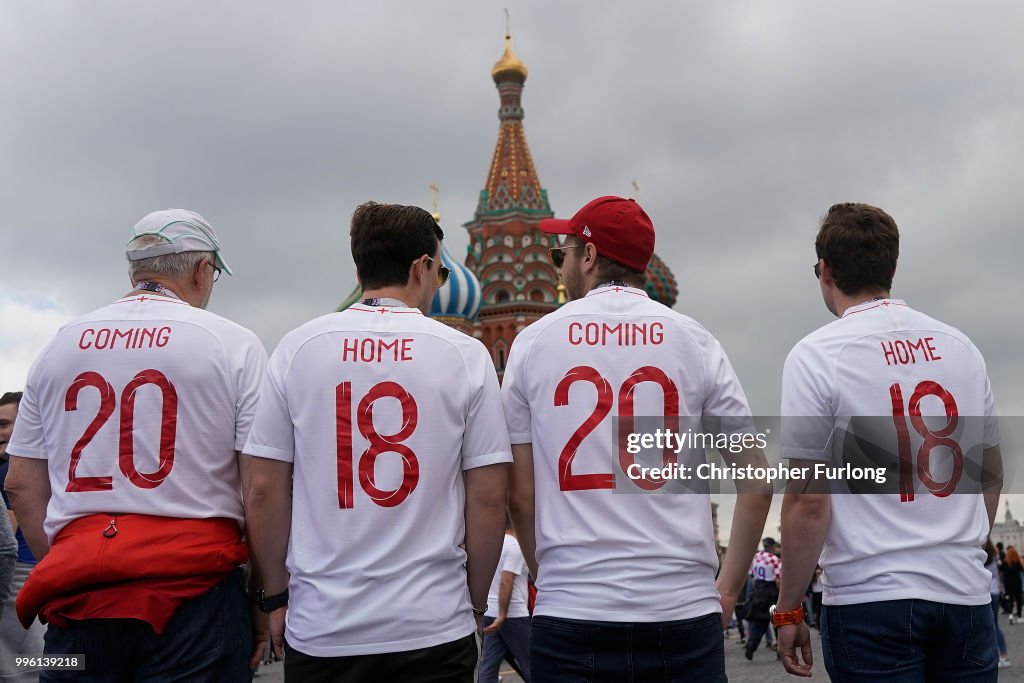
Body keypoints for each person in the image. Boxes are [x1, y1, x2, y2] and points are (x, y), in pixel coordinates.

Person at [501, 195, 772, 682]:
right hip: (682, 610)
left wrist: (550, 577)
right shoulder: (696, 339)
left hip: (573, 609)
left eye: (561, 251)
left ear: (588, 256)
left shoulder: (533, 341)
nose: (559, 263)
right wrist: (727, 591)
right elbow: (755, 483)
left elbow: (519, 495)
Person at [243, 201, 510, 682]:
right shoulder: (465, 356)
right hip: (431, 625)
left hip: (323, 627)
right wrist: (470, 601)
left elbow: (261, 488)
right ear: (421, 267)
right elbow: (491, 499)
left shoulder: (299, 348)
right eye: (440, 273)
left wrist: (276, 597)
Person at [4, 209, 267, 681]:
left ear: (135, 270)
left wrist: (66, 568)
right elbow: (260, 488)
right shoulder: (233, 343)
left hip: (79, 592)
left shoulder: (60, 343)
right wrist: (269, 596)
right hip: (195, 592)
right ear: (202, 271)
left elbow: (21, 485)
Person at [776, 203, 1003, 680]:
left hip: (870, 598)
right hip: (963, 594)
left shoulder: (816, 354)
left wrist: (789, 609)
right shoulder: (961, 347)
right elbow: (991, 473)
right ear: (893, 268)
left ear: (825, 271)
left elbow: (807, 501)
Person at [0, 391, 44, 681]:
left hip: (19, 576)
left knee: (19, 669)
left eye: (4, 423)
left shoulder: (15, 468)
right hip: (32, 575)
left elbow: (6, 542)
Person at [478, 517, 531, 683]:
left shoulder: (493, 544)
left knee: (488, 666)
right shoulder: (515, 546)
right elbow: (506, 581)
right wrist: (502, 614)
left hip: (489, 610)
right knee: (532, 663)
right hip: (511, 614)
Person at [745, 537, 781, 660]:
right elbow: (778, 580)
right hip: (771, 592)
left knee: (759, 622)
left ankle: (752, 645)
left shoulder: (755, 558)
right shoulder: (774, 559)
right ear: (772, 547)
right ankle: (780, 651)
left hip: (758, 592)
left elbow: (752, 578)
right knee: (778, 622)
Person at [986, 540, 1011, 667]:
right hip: (994, 591)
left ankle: (991, 658)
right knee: (995, 625)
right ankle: (1004, 655)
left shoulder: (982, 553)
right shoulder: (994, 555)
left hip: (985, 593)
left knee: (985, 627)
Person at [1004, 547, 1023, 623]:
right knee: (1019, 600)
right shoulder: (1018, 562)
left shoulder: (1005, 563)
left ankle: (1011, 616)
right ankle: (1019, 616)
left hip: (1009, 583)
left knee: (1011, 600)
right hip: (1017, 583)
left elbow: (1005, 575)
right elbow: (1022, 569)